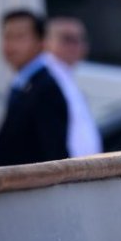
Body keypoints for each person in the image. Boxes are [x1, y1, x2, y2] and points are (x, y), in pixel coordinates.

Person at [0, 10, 69, 167]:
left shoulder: (45, 88)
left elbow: (53, 156)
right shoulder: (24, 82)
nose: (10, 45)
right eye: (7, 36)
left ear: (41, 41)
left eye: (19, 37)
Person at [44, 16, 102, 158]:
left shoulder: (65, 75)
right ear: (47, 42)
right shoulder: (45, 80)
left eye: (80, 39)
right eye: (67, 39)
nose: (75, 45)